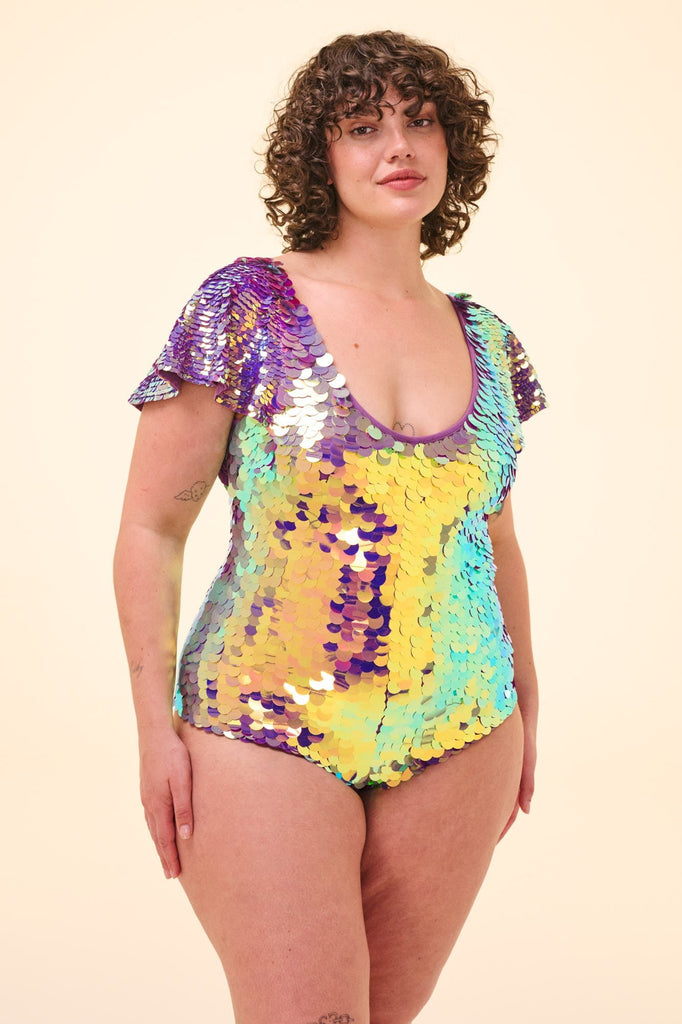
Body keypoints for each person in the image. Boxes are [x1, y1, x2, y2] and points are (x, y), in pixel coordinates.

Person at [113, 28, 548, 1024]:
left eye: (420, 121)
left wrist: (528, 702)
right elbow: (150, 531)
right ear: (320, 154)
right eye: (363, 126)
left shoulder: (487, 338)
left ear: (453, 143)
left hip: (464, 729)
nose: (399, 146)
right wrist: (151, 733)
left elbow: (494, 538)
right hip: (261, 725)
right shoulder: (243, 308)